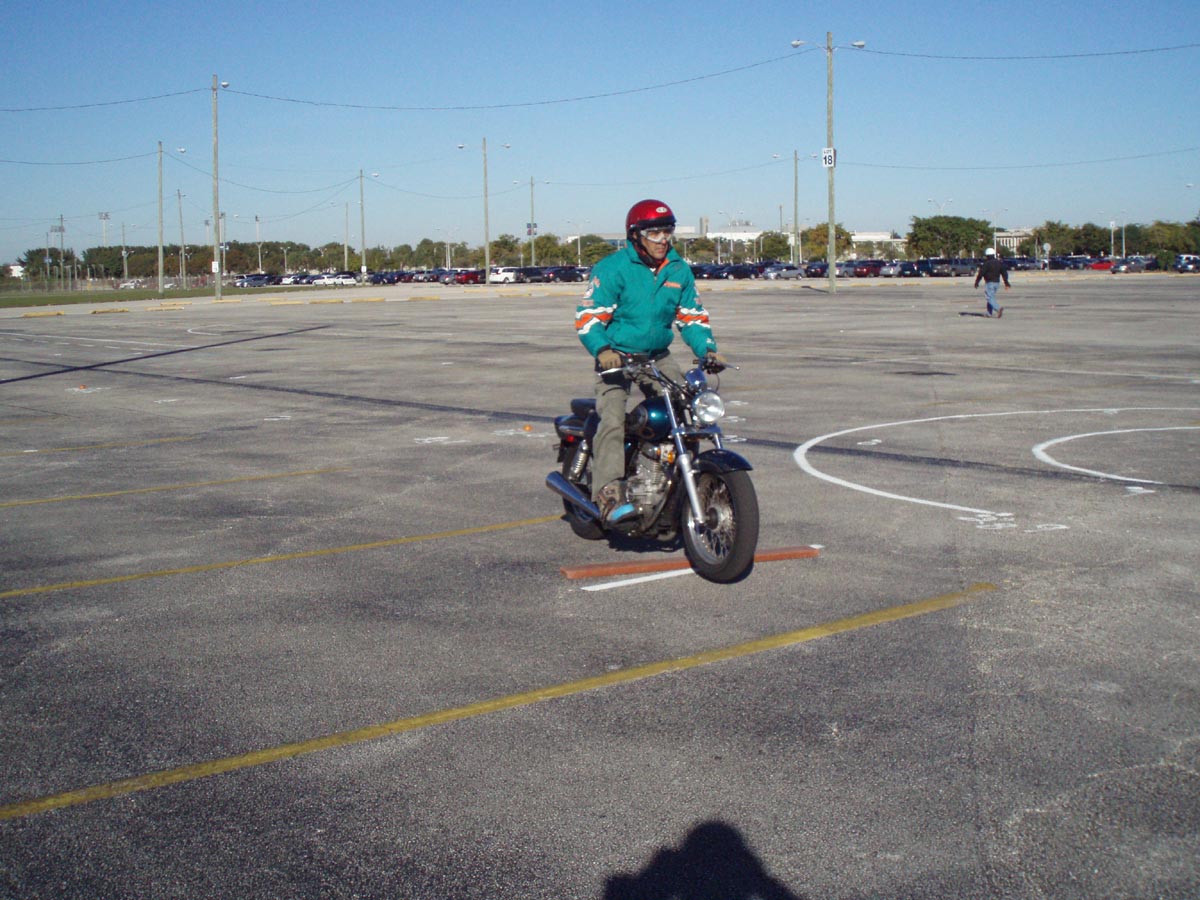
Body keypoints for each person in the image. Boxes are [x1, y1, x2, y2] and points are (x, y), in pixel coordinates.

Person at [574, 199, 725, 525]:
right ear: (636, 235)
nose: (662, 239)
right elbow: (589, 317)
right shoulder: (613, 268)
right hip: (616, 356)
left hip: (657, 356)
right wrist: (602, 350)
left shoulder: (678, 269)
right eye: (653, 233)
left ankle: (678, 482)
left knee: (685, 410)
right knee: (613, 417)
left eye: (667, 231)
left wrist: (708, 350)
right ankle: (609, 493)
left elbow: (692, 317)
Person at [974, 246, 1010, 317]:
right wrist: (1006, 282)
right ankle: (989, 313)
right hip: (997, 283)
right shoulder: (999, 263)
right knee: (991, 297)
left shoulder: (986, 264)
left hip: (990, 283)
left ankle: (998, 309)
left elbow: (981, 273)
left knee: (989, 297)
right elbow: (1004, 273)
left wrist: (977, 282)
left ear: (987, 255)